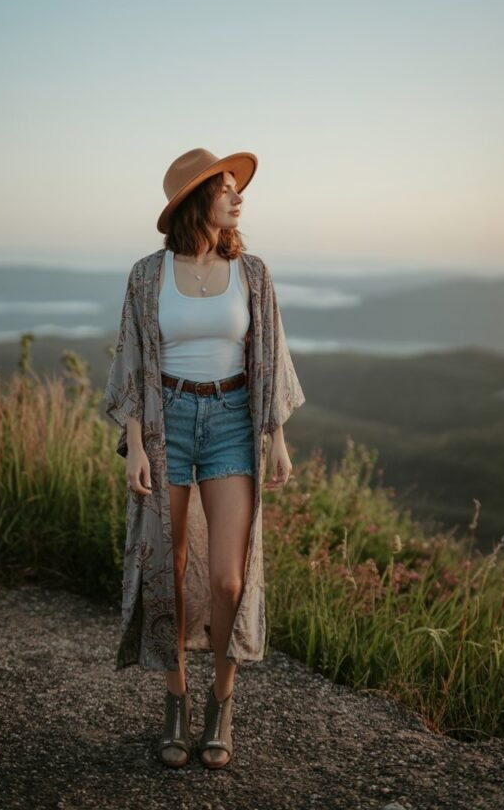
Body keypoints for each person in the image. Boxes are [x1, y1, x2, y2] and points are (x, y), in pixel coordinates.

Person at [104, 147, 305, 770]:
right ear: (196, 200)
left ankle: (222, 701)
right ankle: (176, 702)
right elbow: (134, 358)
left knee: (227, 578)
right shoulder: (146, 275)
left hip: (230, 425)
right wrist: (135, 444)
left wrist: (275, 434)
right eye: (224, 187)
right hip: (167, 425)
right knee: (169, 567)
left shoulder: (253, 272)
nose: (237, 196)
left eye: (234, 187)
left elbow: (268, 353)